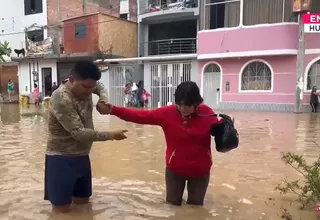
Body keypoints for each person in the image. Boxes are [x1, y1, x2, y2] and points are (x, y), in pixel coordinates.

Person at [97, 81, 221, 206]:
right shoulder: (167, 113)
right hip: (175, 170)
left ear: (196, 103)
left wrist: (228, 132)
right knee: (172, 206)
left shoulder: (208, 113)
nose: (182, 109)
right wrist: (113, 110)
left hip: (201, 171)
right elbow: (140, 115)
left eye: (187, 106)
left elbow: (221, 136)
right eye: (179, 104)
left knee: (196, 208)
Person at [44, 61, 128, 213]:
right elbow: (80, 133)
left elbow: (100, 86)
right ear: (71, 80)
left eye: (91, 87)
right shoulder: (61, 98)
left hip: (82, 156)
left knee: (83, 204)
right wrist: (112, 135)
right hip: (61, 158)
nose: (89, 92)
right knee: (61, 210)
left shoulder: (87, 85)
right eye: (86, 87)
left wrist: (103, 100)